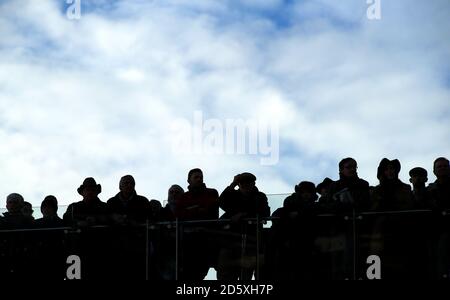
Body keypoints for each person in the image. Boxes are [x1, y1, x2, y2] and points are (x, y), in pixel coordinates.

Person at [216, 173, 270, 280]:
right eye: (242, 183)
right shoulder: (233, 195)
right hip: (231, 240)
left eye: (248, 182)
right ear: (239, 184)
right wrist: (233, 184)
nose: (245, 185)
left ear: (253, 183)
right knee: (226, 272)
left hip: (251, 240)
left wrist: (243, 215)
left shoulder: (260, 196)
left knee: (246, 273)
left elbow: (265, 212)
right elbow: (221, 202)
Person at [174, 168, 219, 280]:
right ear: (189, 180)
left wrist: (190, 210)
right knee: (188, 272)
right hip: (188, 241)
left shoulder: (212, 192)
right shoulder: (184, 197)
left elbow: (211, 211)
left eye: (201, 177)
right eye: (196, 177)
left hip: (206, 239)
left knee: (200, 271)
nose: (199, 179)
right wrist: (196, 209)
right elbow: (178, 214)